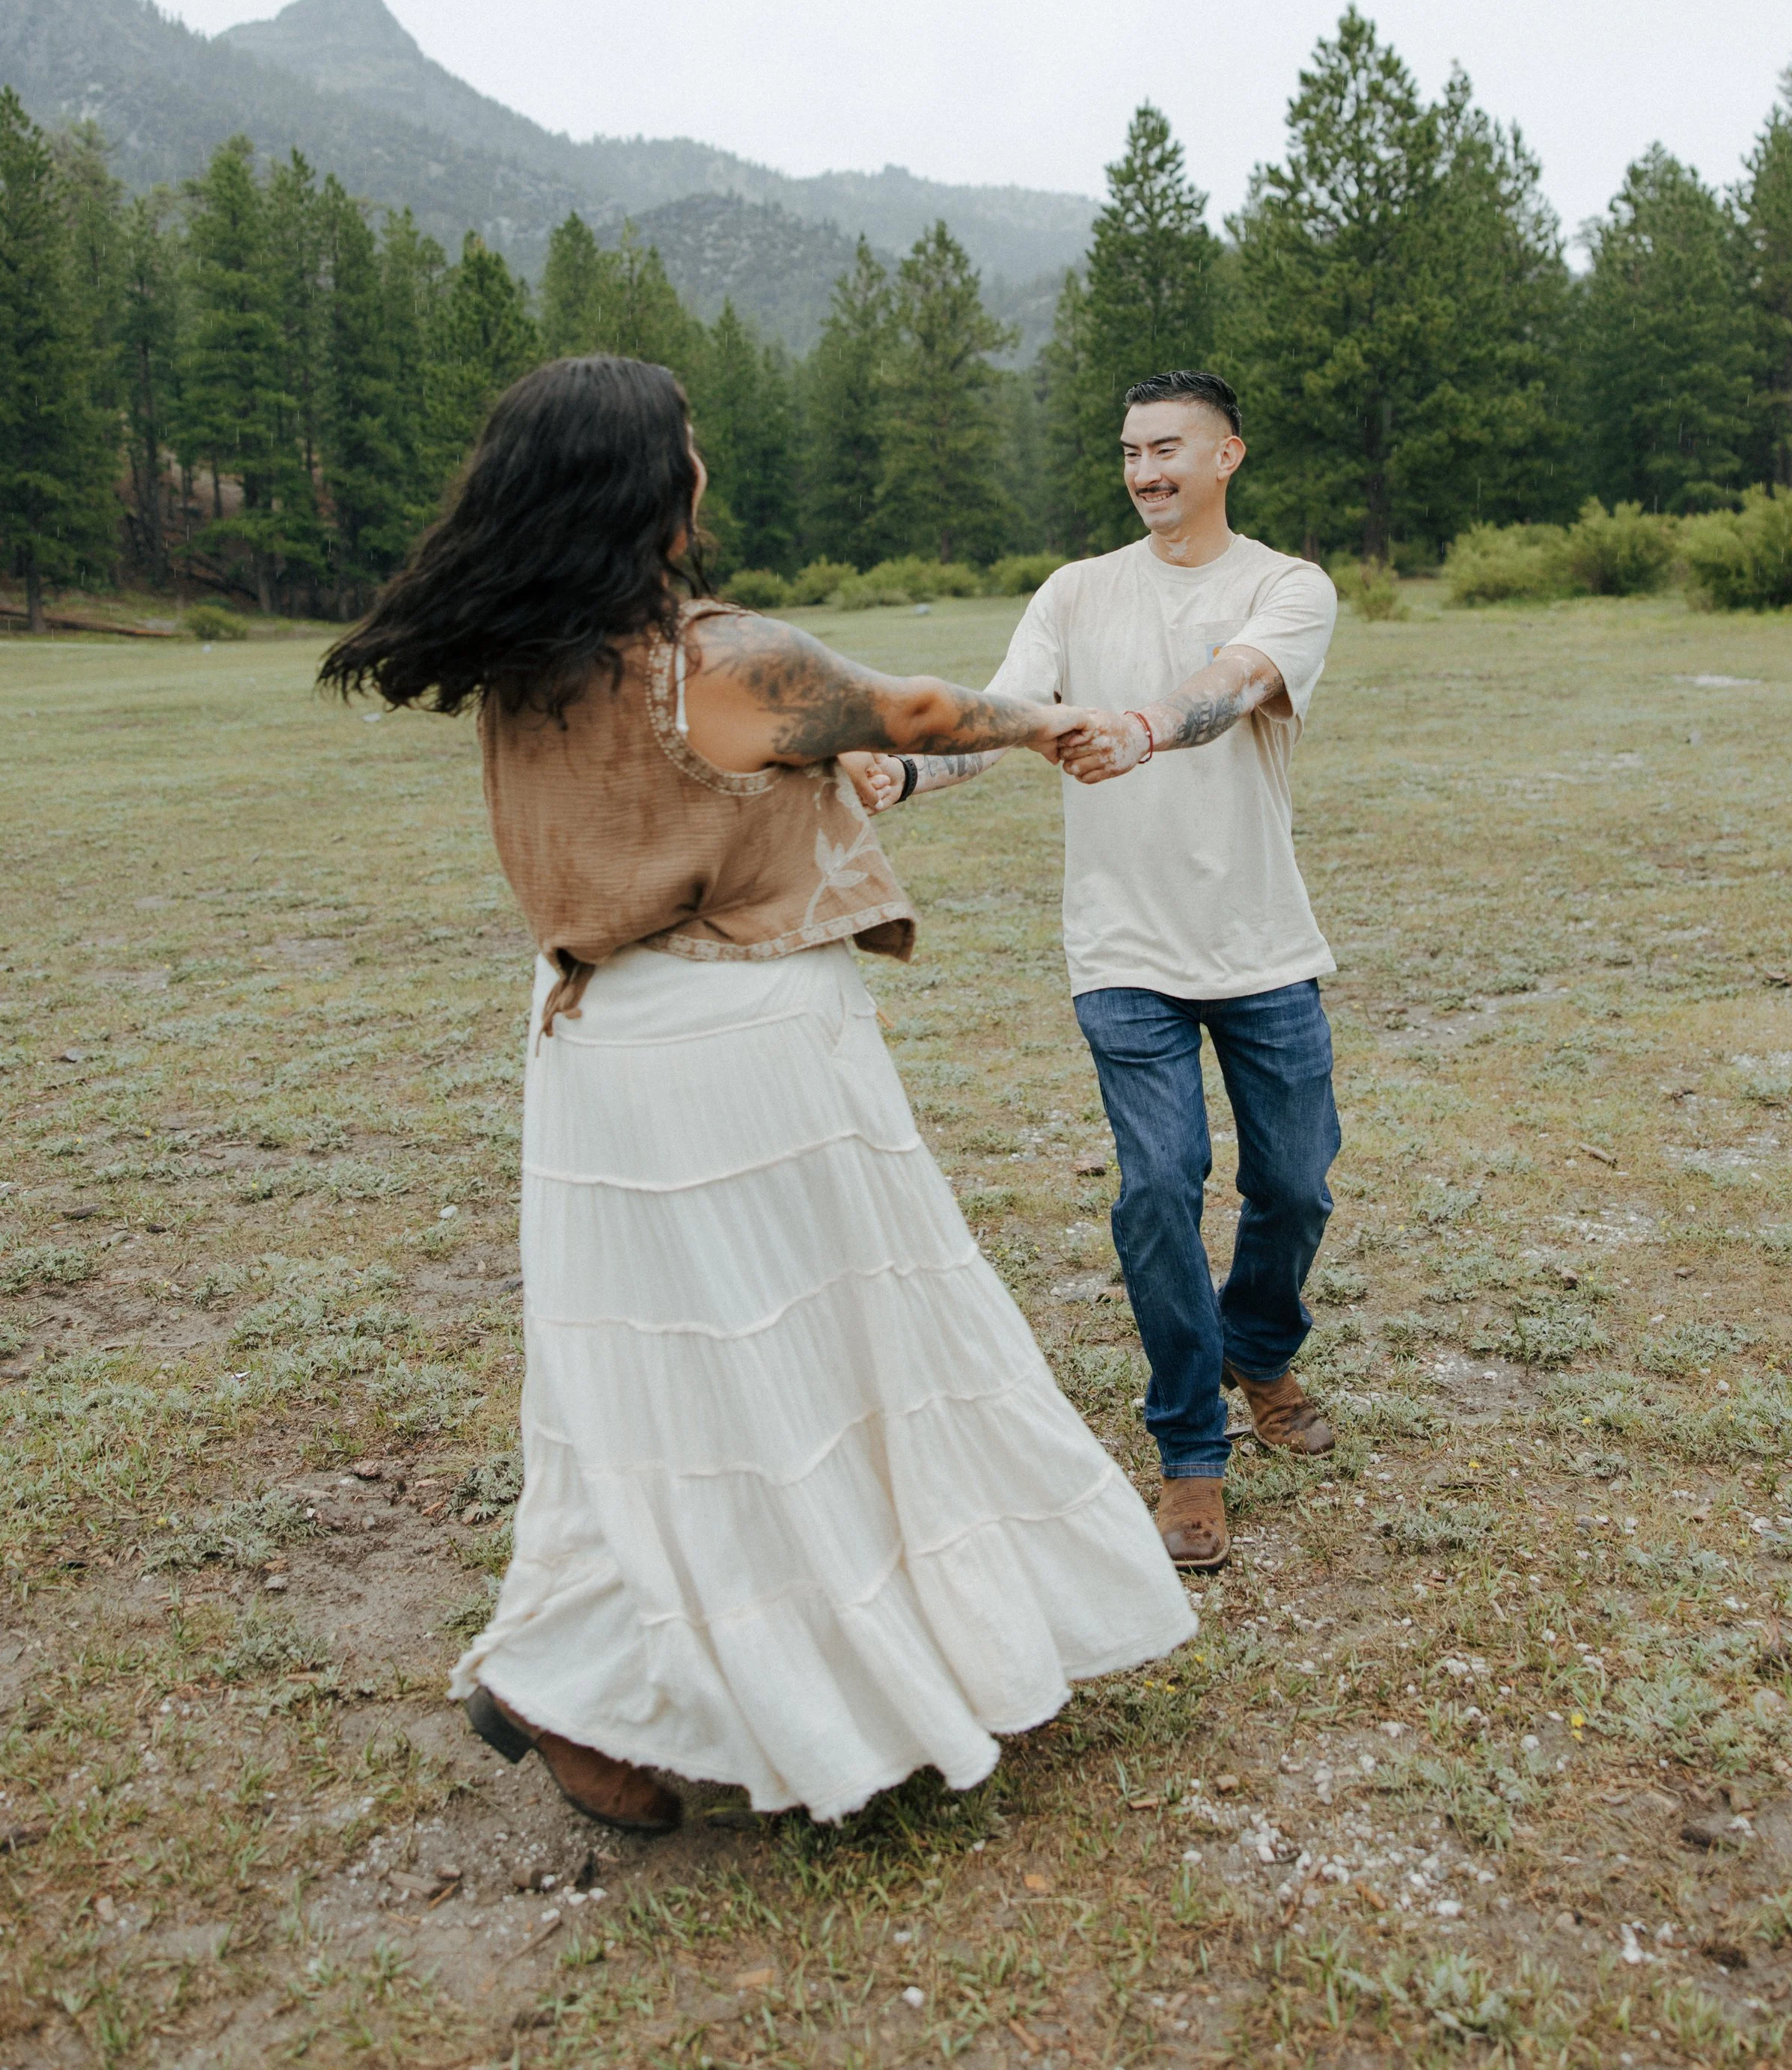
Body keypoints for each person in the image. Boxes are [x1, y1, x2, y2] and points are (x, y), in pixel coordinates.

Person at [318, 353, 1192, 1836]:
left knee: (643, 1387)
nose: (703, 463)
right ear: (651, 485)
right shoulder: (705, 661)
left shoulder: (536, 653)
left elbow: (840, 757)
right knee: (802, 1362)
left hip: (593, 1052)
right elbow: (905, 708)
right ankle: (618, 1678)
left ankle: (580, 1676)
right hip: (734, 1052)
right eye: (688, 445)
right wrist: (1047, 723)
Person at [851, 369, 1339, 1574]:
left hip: (1261, 945)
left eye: (1166, 448)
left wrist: (1138, 728)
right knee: (1159, 1184)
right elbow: (1010, 711)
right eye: (1129, 452)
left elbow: (1230, 687)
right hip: (1122, 950)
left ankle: (1261, 1348)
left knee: (1297, 1182)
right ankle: (1191, 1450)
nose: (1144, 472)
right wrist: (909, 774)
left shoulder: (1288, 585)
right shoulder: (1075, 591)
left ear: (1228, 453)